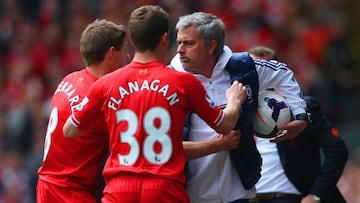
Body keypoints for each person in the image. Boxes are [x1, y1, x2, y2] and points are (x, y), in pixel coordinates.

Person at [62, 5, 247, 203]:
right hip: (164, 188)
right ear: (165, 38)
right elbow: (225, 125)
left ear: (132, 40)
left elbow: (70, 130)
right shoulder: (184, 82)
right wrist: (234, 101)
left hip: (119, 189)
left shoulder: (106, 84)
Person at [170, 12, 308, 203]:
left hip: (238, 191)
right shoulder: (169, 80)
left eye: (189, 43)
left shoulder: (243, 68)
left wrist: (300, 116)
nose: (180, 50)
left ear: (211, 46)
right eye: (179, 42)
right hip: (189, 194)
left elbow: (284, 74)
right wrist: (216, 145)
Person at [36, 19, 128, 203]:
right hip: (69, 192)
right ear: (111, 53)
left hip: (46, 187)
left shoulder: (69, 80)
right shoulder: (102, 98)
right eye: (124, 51)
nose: (127, 57)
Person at [249, 46, 349, 203]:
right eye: (253, 67)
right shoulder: (241, 111)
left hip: (293, 196)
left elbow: (338, 149)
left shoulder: (302, 107)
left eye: (262, 67)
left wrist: (316, 194)